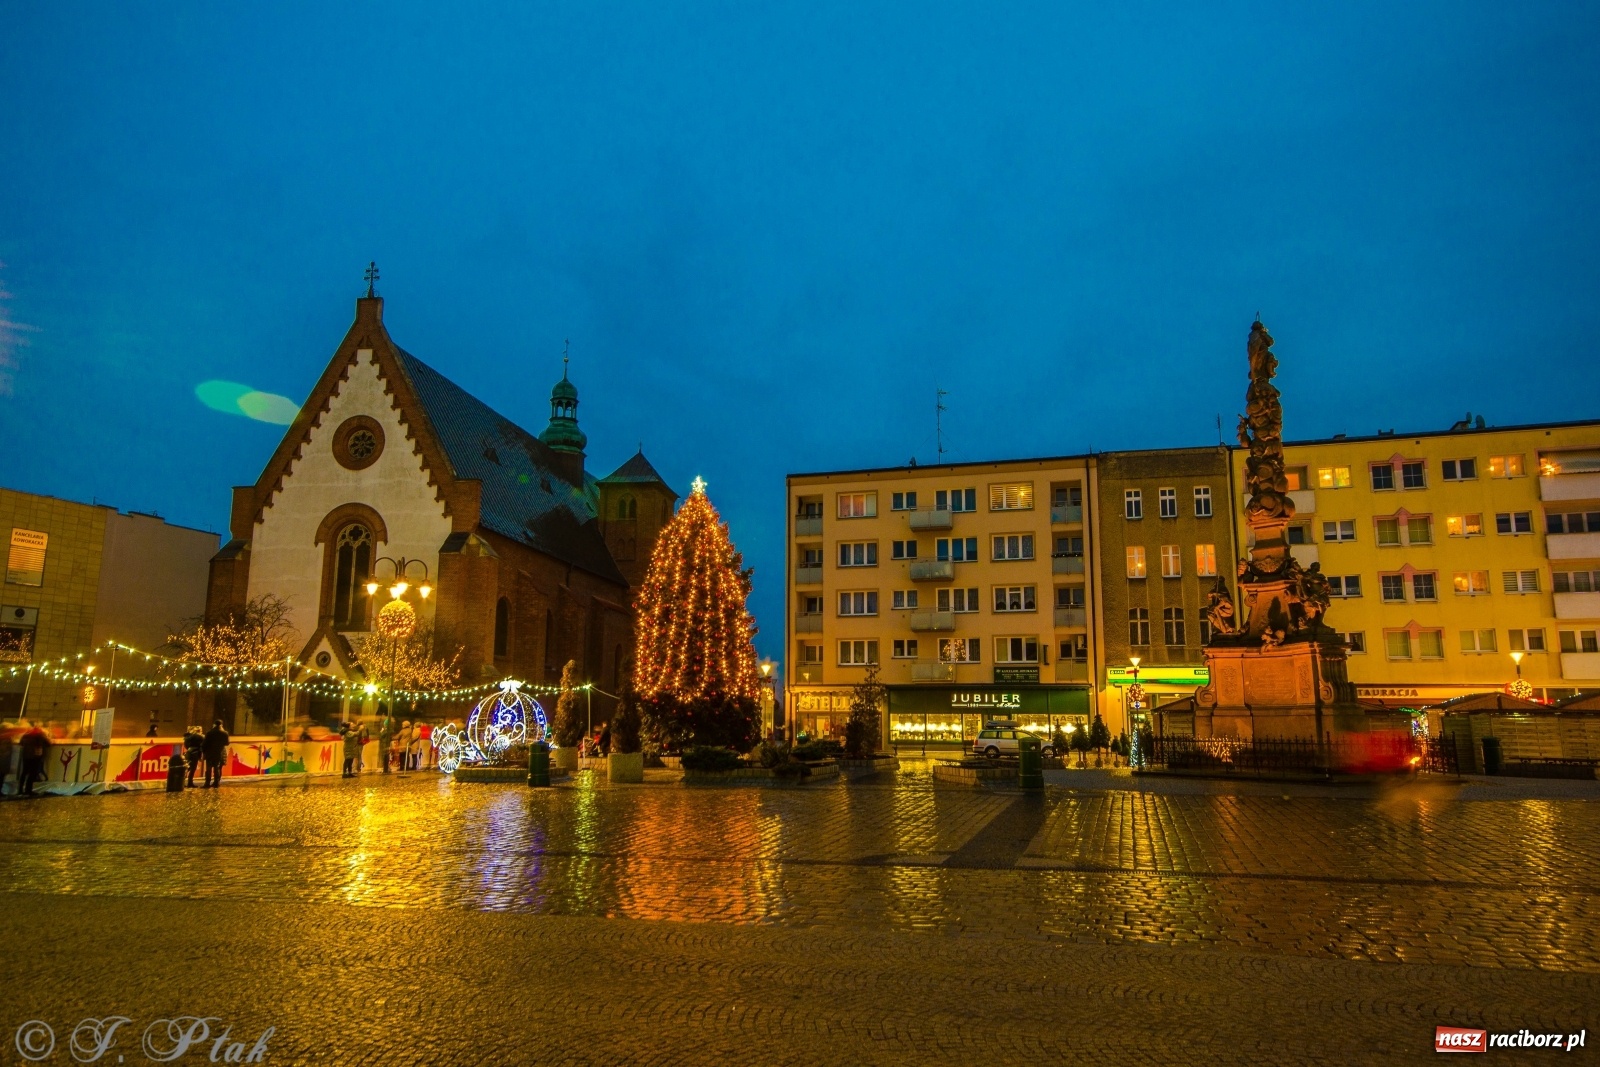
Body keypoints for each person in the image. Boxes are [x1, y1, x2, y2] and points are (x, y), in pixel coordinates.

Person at [18, 720, 50, 797]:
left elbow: (21, 743)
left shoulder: (26, 735)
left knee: (24, 773)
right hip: (35, 756)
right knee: (32, 774)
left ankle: (20, 790)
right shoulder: (40, 735)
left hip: (26, 756)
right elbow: (48, 743)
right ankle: (28, 790)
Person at [201, 719, 229, 788]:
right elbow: (227, 743)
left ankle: (207, 783)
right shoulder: (225, 733)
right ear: (221, 725)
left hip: (209, 752)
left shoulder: (209, 733)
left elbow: (205, 743)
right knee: (217, 767)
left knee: (209, 768)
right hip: (219, 752)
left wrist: (203, 750)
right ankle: (216, 783)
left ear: (214, 724)